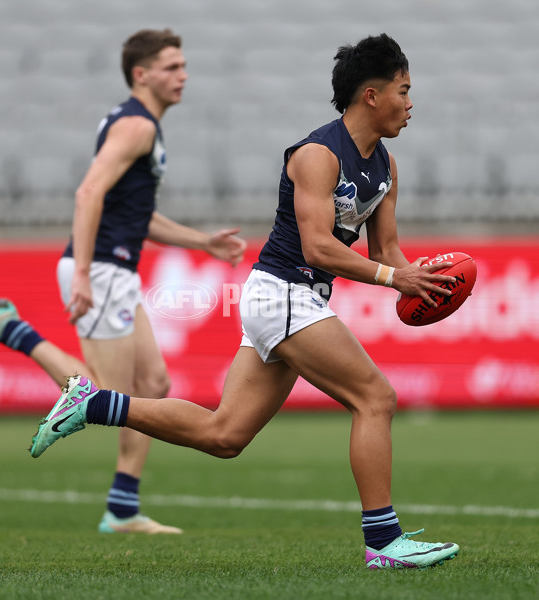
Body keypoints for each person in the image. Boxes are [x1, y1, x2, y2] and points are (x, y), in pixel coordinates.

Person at [27, 33, 460, 569]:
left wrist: (417, 275)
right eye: (404, 89)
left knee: (224, 435)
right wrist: (394, 280)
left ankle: (91, 403)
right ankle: (384, 543)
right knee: (376, 398)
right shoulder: (317, 155)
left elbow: (387, 250)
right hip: (282, 292)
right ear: (371, 96)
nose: (411, 102)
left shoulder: (386, 167)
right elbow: (317, 246)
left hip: (290, 298)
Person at [0, 28, 246, 535]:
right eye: (172, 67)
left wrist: (203, 243)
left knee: (151, 385)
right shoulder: (137, 127)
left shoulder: (138, 124)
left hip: (114, 267)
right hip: (102, 268)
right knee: (106, 396)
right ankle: (10, 329)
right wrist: (84, 271)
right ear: (141, 74)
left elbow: (135, 215)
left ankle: (122, 508)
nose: (183, 75)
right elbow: (88, 193)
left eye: (183, 65)